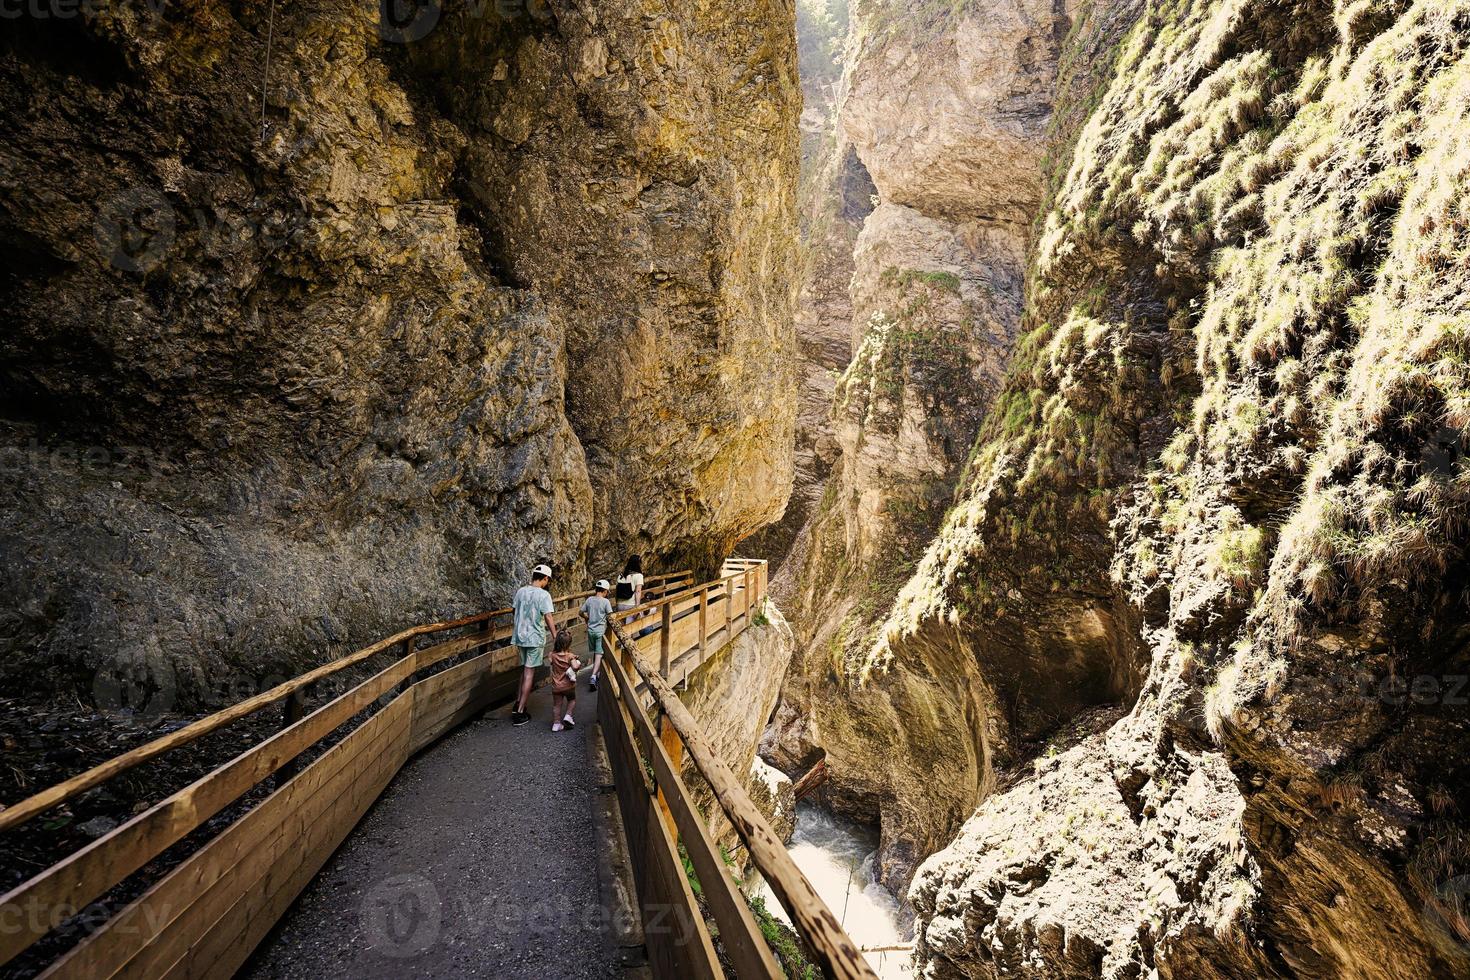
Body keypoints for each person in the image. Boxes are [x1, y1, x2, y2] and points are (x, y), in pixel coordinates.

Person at [511, 563, 557, 727]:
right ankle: (520, 712)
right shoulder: (544, 595)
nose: (547, 583)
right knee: (529, 673)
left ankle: (518, 703)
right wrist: (555, 636)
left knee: (524, 671)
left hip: (519, 636)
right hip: (534, 637)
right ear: (545, 578)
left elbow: (515, 611)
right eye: (547, 580)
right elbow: (548, 617)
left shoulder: (521, 591)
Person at [580, 579, 613, 691]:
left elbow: (580, 612)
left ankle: (596, 672)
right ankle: (593, 676)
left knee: (596, 653)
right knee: (599, 655)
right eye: (607, 592)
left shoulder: (589, 600)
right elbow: (610, 616)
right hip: (600, 632)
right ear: (604, 591)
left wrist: (587, 618)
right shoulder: (605, 602)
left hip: (590, 631)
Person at [547, 631, 582, 732]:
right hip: (568, 686)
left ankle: (556, 724)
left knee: (557, 705)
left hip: (556, 686)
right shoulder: (570, 656)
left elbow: (550, 660)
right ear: (569, 644)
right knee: (572, 700)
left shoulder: (552, 655)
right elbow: (575, 667)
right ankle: (568, 715)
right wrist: (577, 662)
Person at [614, 554, 645, 633]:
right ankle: (626, 645)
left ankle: (620, 644)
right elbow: (638, 592)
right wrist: (637, 607)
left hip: (620, 604)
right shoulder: (639, 576)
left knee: (621, 629)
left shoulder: (621, 575)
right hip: (630, 605)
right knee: (629, 630)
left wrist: (617, 604)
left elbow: (617, 591)